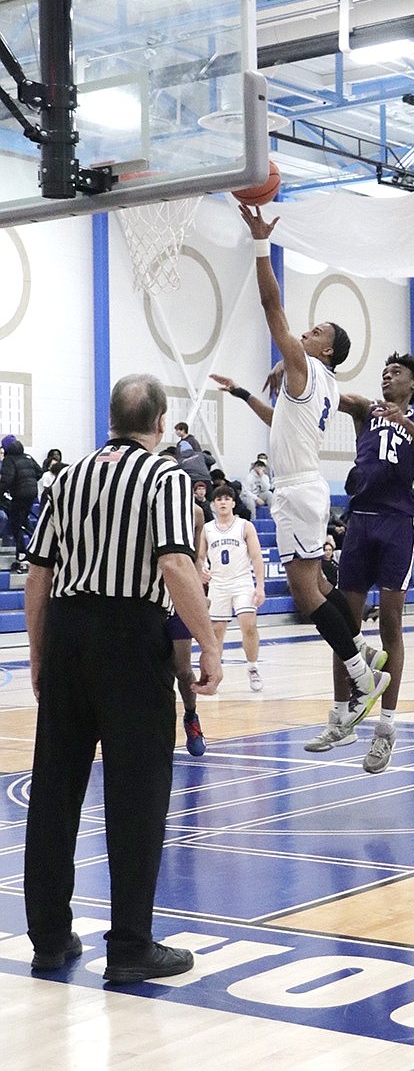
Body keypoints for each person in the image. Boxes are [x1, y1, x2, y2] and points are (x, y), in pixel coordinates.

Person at [23, 373, 222, 983]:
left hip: (68, 634)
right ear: (162, 424)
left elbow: (37, 574)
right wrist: (210, 643)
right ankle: (131, 945)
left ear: (110, 419)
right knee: (137, 795)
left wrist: (39, 657)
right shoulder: (164, 478)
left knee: (55, 791)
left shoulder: (67, 477)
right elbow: (172, 560)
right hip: (131, 639)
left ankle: (51, 938)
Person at [210, 201, 390, 725]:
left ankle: (361, 673)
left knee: (303, 592)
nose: (305, 334)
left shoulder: (308, 368)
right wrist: (244, 393)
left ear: (327, 351)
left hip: (296, 490)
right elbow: (279, 423)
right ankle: (367, 652)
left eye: (315, 333)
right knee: (320, 585)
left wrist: (261, 244)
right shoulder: (321, 383)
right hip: (304, 486)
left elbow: (272, 307)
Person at [320, 352, 414, 772]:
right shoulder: (365, 410)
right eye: (385, 373)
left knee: (391, 626)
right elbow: (329, 394)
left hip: (397, 525)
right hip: (361, 523)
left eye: (397, 373)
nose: (388, 377)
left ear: (413, 386)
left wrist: (403, 419)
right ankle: (341, 717)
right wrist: (298, 365)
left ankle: (386, 729)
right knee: (344, 625)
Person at [199, 484, 266, 692]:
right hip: (218, 583)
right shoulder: (207, 529)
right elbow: (200, 557)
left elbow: (256, 556)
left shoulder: (244, 525)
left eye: (227, 499)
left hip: (242, 581)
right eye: (219, 499)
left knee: (249, 625)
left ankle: (253, 668)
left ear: (234, 503)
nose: (223, 502)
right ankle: (215, 674)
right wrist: (202, 568)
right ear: (213, 504)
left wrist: (260, 586)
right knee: (216, 632)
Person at [169, 502, 208, 756]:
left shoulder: (194, 512)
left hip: (179, 594)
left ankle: (191, 717)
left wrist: (197, 593)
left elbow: (197, 558)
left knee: (183, 669)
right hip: (147, 596)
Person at [1, 438, 42, 571]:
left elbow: (7, 480)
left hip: (19, 495)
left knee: (16, 524)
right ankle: (34, 549)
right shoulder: (28, 457)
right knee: (23, 521)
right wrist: (29, 482)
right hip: (32, 493)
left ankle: (22, 554)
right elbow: (39, 472)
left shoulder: (10, 460)